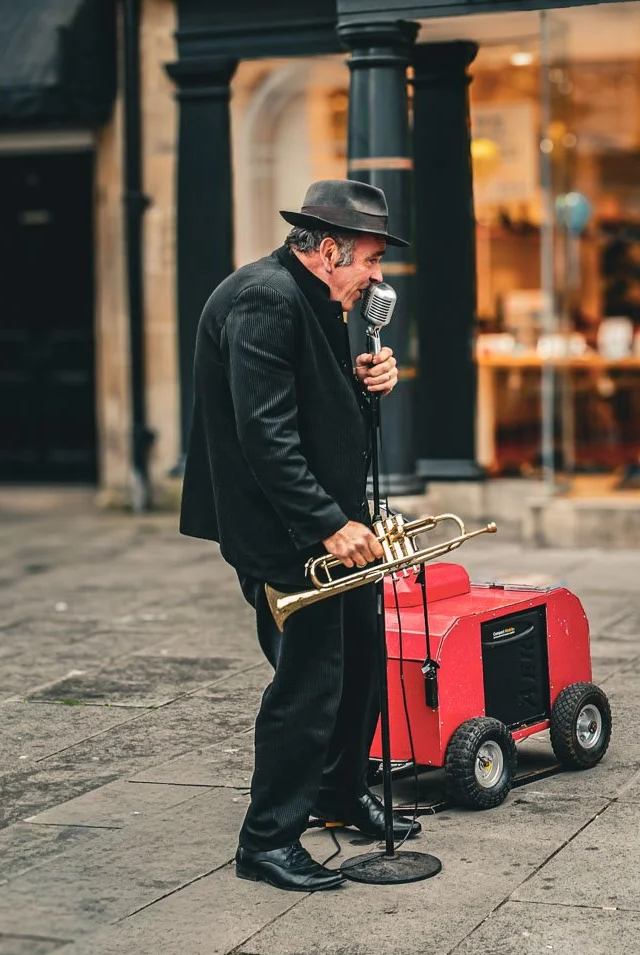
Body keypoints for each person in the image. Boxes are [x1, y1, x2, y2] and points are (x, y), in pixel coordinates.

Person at [180, 179, 421, 892]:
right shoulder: (264, 298)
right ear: (325, 250)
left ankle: (337, 795)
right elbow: (265, 434)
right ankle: (266, 842)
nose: (377, 275)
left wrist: (361, 383)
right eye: (370, 259)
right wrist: (327, 525)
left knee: (361, 664)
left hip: (322, 524)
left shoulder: (310, 296)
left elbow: (302, 404)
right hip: (286, 531)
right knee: (309, 683)